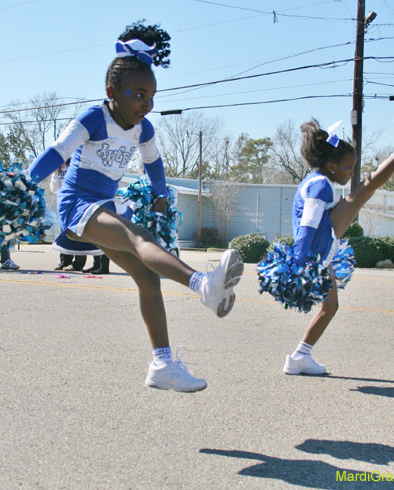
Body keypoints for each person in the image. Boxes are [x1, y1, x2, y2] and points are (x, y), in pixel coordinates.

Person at [28, 22, 243, 392]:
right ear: (112, 91)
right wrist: (24, 180)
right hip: (78, 204)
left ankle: (162, 365)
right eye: (139, 94)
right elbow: (57, 153)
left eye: (152, 96)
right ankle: (203, 285)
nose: (147, 103)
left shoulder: (143, 129)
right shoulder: (94, 118)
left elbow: (154, 163)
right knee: (135, 236)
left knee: (147, 278)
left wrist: (161, 197)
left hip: (106, 204)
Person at [283, 116, 394, 376]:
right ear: (331, 165)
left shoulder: (320, 181)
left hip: (320, 253)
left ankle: (299, 357)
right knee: (366, 188)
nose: (351, 173)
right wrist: (299, 260)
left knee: (331, 308)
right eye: (349, 167)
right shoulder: (319, 186)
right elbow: (307, 224)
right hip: (314, 250)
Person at [49, 159, 97, 271]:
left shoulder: (75, 167)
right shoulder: (57, 171)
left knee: (77, 232)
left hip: (76, 203)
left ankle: (78, 264)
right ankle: (64, 261)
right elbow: (54, 189)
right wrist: (55, 173)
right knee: (64, 233)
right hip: (63, 205)